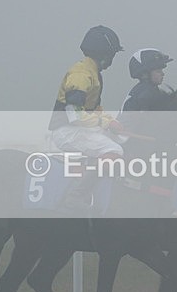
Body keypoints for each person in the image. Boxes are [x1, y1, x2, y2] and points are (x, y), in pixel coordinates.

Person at [49, 25, 124, 209]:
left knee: (119, 141)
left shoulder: (94, 74)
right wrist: (104, 123)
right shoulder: (81, 75)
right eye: (112, 54)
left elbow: (95, 110)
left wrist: (111, 122)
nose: (113, 59)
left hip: (78, 128)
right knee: (114, 151)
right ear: (104, 54)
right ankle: (76, 195)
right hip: (66, 130)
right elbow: (75, 115)